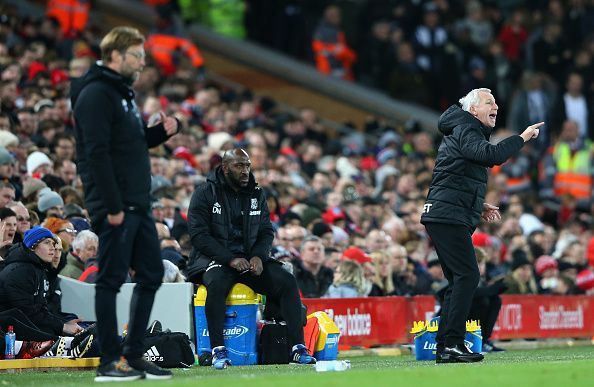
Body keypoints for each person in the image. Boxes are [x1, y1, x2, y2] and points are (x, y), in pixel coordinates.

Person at [71, 26, 178, 381]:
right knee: (111, 280)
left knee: (150, 274)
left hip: (137, 203)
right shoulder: (96, 93)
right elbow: (96, 153)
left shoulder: (122, 94)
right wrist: (112, 206)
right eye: (137, 55)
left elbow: (131, 143)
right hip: (116, 205)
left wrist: (161, 133)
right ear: (115, 56)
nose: (142, 62)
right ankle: (108, 363)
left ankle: (132, 355)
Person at [421, 87, 542, 364]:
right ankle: (451, 342)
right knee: (467, 276)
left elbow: (455, 174)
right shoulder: (466, 128)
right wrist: (522, 137)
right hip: (446, 215)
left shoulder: (462, 129)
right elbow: (493, 155)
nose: (496, 106)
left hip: (447, 212)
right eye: (489, 102)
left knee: (459, 279)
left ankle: (446, 345)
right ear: (473, 110)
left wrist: (477, 206)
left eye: (496, 102)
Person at [186, 148, 316, 369]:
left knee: (286, 280)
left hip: (249, 260)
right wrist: (229, 259)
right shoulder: (205, 193)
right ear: (225, 168)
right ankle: (218, 350)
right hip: (215, 259)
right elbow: (199, 236)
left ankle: (298, 347)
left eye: (247, 166)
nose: (245, 171)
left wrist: (258, 256)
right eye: (239, 166)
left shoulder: (257, 193)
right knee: (216, 284)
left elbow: (266, 231)